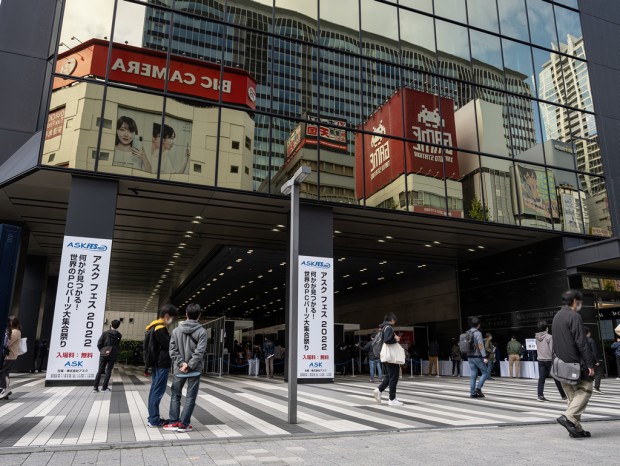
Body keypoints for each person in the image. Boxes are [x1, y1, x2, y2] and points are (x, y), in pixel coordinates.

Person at [553, 290, 596, 439]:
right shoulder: (574, 316)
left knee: (572, 398)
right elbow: (581, 342)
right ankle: (568, 418)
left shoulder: (557, 316)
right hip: (574, 363)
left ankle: (576, 429)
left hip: (560, 364)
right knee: (585, 389)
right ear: (575, 301)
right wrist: (590, 364)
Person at [163, 303, 207, 433]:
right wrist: (190, 365)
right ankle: (184, 424)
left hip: (179, 370)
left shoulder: (176, 331)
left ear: (186, 314)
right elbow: (200, 351)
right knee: (190, 397)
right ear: (199, 315)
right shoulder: (202, 331)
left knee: (175, 395)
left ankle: (173, 422)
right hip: (195, 370)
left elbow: (172, 350)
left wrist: (181, 364)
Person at [145, 304, 178, 428]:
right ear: (167, 316)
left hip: (155, 363)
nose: (172, 321)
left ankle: (152, 417)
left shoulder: (152, 326)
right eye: (172, 318)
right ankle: (154, 420)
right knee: (157, 391)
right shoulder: (160, 328)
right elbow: (169, 345)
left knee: (154, 390)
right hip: (161, 364)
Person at [372, 312, 403, 406]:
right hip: (390, 356)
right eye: (394, 321)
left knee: (389, 376)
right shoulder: (389, 327)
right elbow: (387, 340)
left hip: (385, 356)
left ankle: (379, 390)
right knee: (394, 377)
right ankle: (392, 399)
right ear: (392, 319)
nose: (394, 322)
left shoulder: (383, 328)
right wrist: (396, 339)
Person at [534, 320, 567, 402]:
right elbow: (552, 349)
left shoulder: (537, 337)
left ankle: (540, 395)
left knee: (541, 378)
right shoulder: (549, 337)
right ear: (546, 328)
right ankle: (563, 395)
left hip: (540, 359)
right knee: (556, 377)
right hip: (549, 359)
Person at [93, 320, 122, 393]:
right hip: (112, 354)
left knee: (100, 370)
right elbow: (117, 346)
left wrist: (102, 350)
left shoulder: (105, 333)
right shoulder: (119, 335)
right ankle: (104, 388)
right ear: (118, 326)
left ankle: (95, 387)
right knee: (108, 370)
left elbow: (99, 344)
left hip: (103, 354)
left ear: (111, 324)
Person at [0, 316, 22, 400]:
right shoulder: (14, 331)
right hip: (10, 355)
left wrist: (6, 334)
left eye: (9, 321)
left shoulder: (15, 331)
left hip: (10, 355)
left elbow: (7, 343)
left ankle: (5, 389)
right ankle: (5, 390)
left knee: (2, 372)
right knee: (5, 373)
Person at [467, 316, 489, 398]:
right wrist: (484, 357)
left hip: (469, 356)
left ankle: (472, 393)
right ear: (478, 325)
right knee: (485, 372)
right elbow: (480, 346)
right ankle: (478, 388)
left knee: (473, 374)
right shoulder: (478, 333)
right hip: (477, 356)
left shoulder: (467, 332)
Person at [585, 328, 604, 394]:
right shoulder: (590, 340)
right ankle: (596, 387)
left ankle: (586, 388)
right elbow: (594, 351)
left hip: (584, 359)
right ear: (588, 333)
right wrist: (597, 360)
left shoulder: (581, 340)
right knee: (598, 372)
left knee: (588, 373)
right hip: (592, 359)